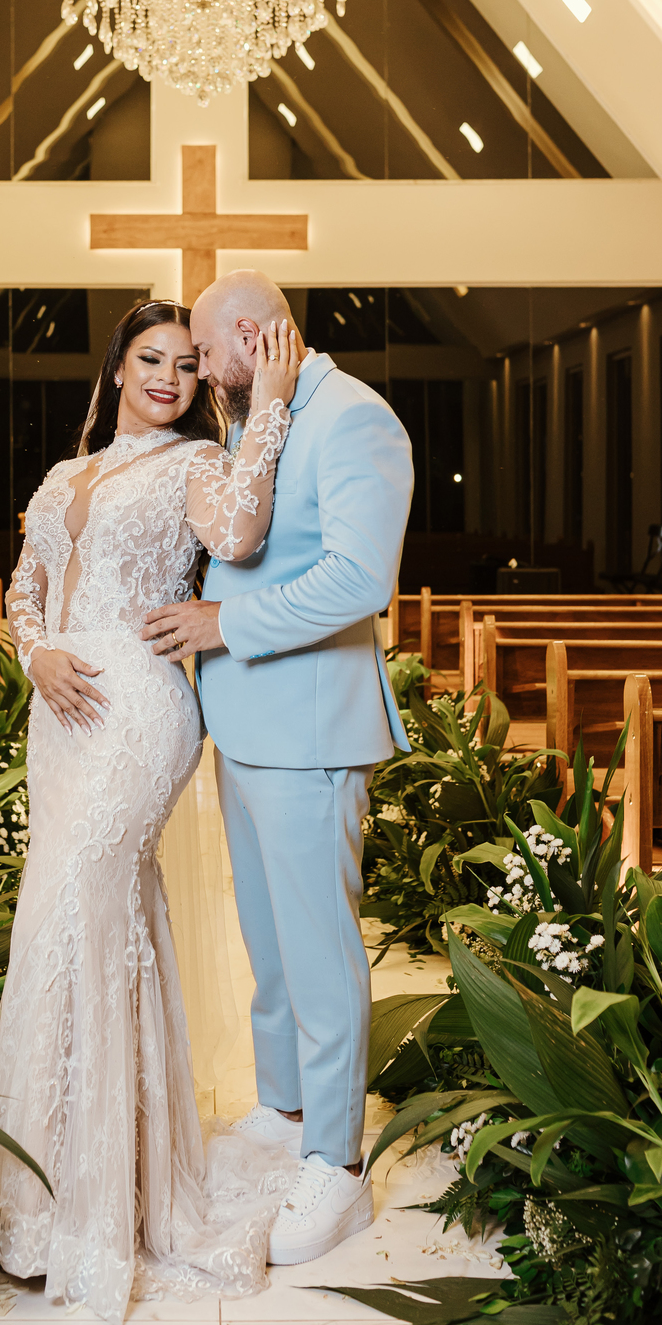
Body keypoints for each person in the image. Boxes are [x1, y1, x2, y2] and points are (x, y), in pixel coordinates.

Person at [0, 298, 302, 1325]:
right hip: (61, 713)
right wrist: (34, 653)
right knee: (61, 924)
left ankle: (104, 1212)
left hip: (140, 714)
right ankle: (52, 1191)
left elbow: (243, 530)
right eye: (150, 358)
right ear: (117, 367)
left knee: (86, 909)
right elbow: (23, 588)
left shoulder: (198, 466)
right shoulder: (65, 475)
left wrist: (275, 405)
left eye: (186, 365)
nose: (168, 376)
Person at [142, 271, 414, 1267]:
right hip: (246, 724)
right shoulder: (266, 413)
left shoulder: (353, 419)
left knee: (321, 947)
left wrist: (224, 623)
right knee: (268, 940)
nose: (201, 375)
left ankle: (336, 1166)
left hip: (312, 728)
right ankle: (285, 1102)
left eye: (208, 355)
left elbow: (355, 578)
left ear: (250, 336)